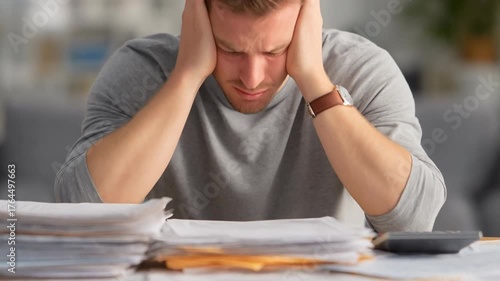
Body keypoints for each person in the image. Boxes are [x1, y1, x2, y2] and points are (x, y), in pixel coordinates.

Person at [55, 0, 446, 232]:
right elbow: (81, 213)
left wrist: (314, 80)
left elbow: (414, 219)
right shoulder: (141, 71)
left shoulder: (362, 69)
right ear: (198, 17)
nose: (252, 77)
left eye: (275, 51)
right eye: (231, 49)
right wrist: (188, 75)